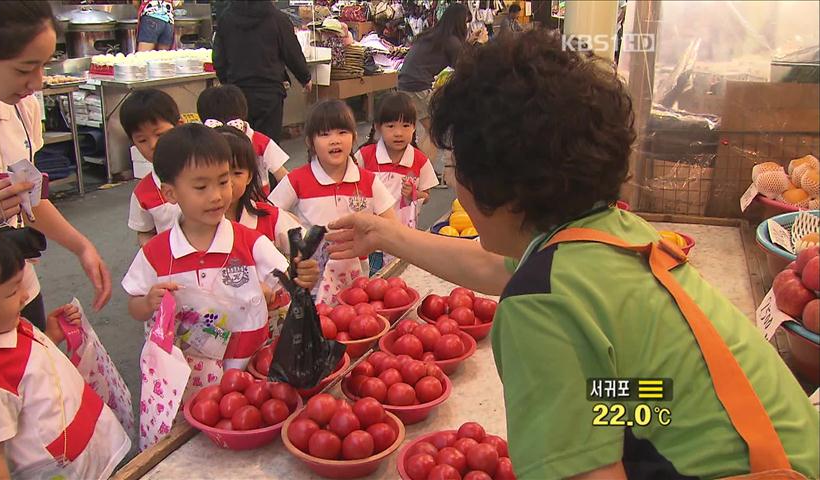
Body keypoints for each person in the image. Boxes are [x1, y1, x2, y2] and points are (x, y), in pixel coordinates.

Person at [325, 30, 820, 479]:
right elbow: (495, 267)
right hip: (740, 431)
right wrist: (384, 235)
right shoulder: (614, 234)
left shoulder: (540, 305)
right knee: (620, 392)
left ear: (497, 185)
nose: (454, 182)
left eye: (457, 165)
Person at [122, 124, 318, 370]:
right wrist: (149, 302)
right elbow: (135, 305)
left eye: (223, 181)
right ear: (170, 193)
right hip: (185, 377)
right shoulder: (156, 253)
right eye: (201, 187)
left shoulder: (249, 241)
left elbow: (290, 279)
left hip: (244, 370)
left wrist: (303, 275)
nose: (217, 196)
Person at [0, 1, 112, 329]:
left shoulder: (23, 107)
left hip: (17, 287)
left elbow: (30, 197)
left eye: (44, 65)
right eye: (23, 69)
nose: (37, 82)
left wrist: (81, 246)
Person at [0, 227, 130, 480]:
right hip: (64, 470)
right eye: (11, 292)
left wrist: (50, 336)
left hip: (89, 448)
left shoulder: (4, 324)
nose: (24, 296)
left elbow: (31, 372)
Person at [268, 100, 396, 304]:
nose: (334, 140)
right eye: (325, 134)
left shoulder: (368, 181)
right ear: (310, 142)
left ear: (354, 136)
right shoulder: (297, 179)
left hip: (356, 284)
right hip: (312, 283)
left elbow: (392, 225)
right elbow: (269, 215)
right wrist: (293, 229)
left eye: (342, 132)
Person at [397, 3, 476, 186]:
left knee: (426, 129)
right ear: (459, 21)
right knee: (434, 130)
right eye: (466, 21)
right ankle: (420, 174)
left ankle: (419, 170)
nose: (466, 25)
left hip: (405, 82)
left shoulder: (435, 35)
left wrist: (469, 42)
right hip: (417, 85)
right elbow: (465, 67)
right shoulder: (450, 41)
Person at [213, 1, 312, 142]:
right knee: (268, 146)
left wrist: (227, 82)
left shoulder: (226, 19)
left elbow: (218, 58)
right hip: (269, 92)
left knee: (240, 144)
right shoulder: (278, 19)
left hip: (237, 92)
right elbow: (292, 52)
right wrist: (305, 77)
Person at [214, 125, 303, 256]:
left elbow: (311, 250)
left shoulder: (271, 219)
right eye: (220, 174)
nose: (229, 182)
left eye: (237, 173)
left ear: (249, 176)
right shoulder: (189, 226)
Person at [356, 92, 438, 229]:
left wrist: (415, 194)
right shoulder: (365, 156)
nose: (399, 133)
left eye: (406, 125)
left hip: (403, 234)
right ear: (378, 127)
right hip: (370, 232)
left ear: (413, 127)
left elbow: (426, 196)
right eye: (391, 126)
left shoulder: (420, 160)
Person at [197, 84, 290, 195]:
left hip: (256, 204)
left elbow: (285, 179)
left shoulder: (260, 142)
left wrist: (275, 205)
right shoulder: (199, 144)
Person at [120, 88, 183, 246]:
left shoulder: (209, 172)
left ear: (180, 125)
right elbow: (145, 232)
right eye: (142, 140)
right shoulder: (144, 193)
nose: (153, 145)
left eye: (160, 135)